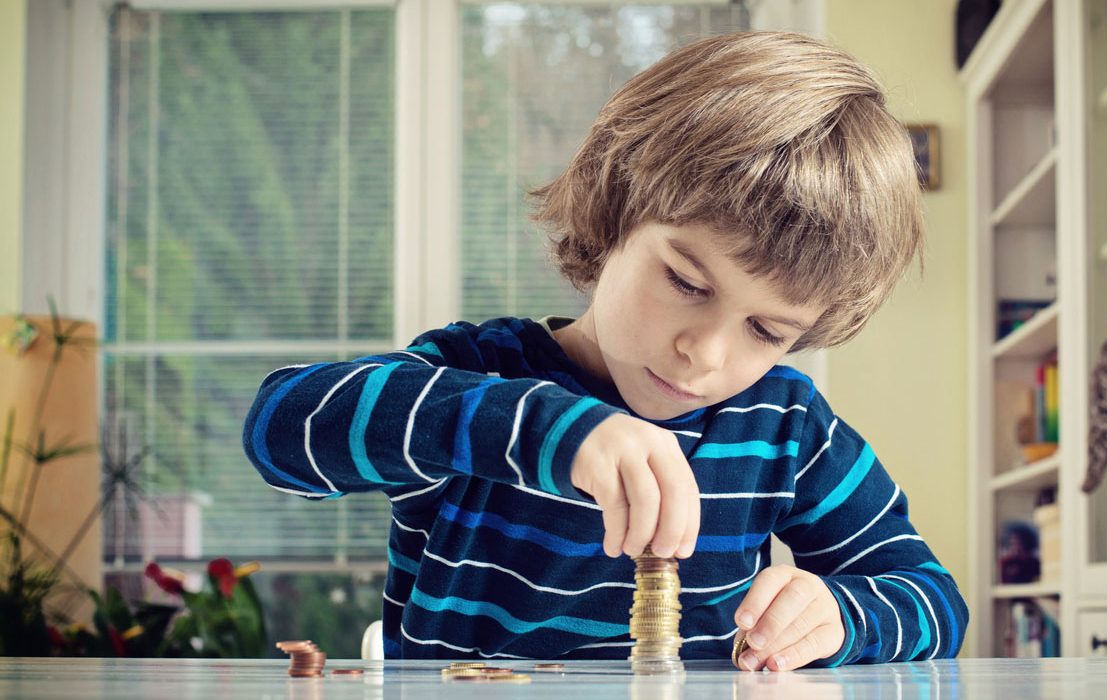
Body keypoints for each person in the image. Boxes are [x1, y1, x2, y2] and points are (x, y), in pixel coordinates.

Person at [243, 30, 967, 670]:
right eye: (686, 281)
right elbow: (279, 430)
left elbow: (932, 600)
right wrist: (544, 431)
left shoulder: (785, 427)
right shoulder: (480, 375)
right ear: (615, 209)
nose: (703, 352)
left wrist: (840, 618)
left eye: (766, 331)